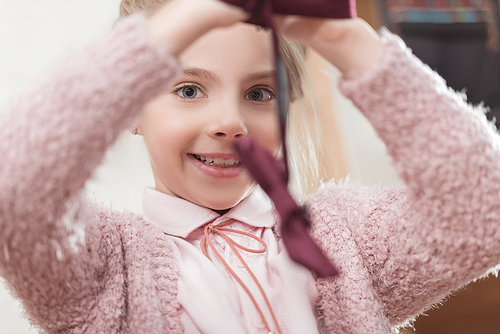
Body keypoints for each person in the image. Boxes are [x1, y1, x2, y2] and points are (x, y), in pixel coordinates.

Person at [0, 0, 499, 333]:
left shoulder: (343, 239)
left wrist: (355, 48)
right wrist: (167, 31)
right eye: (188, 89)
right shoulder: (106, 274)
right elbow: (14, 193)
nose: (229, 122)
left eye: (259, 93)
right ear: (132, 103)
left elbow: (485, 214)